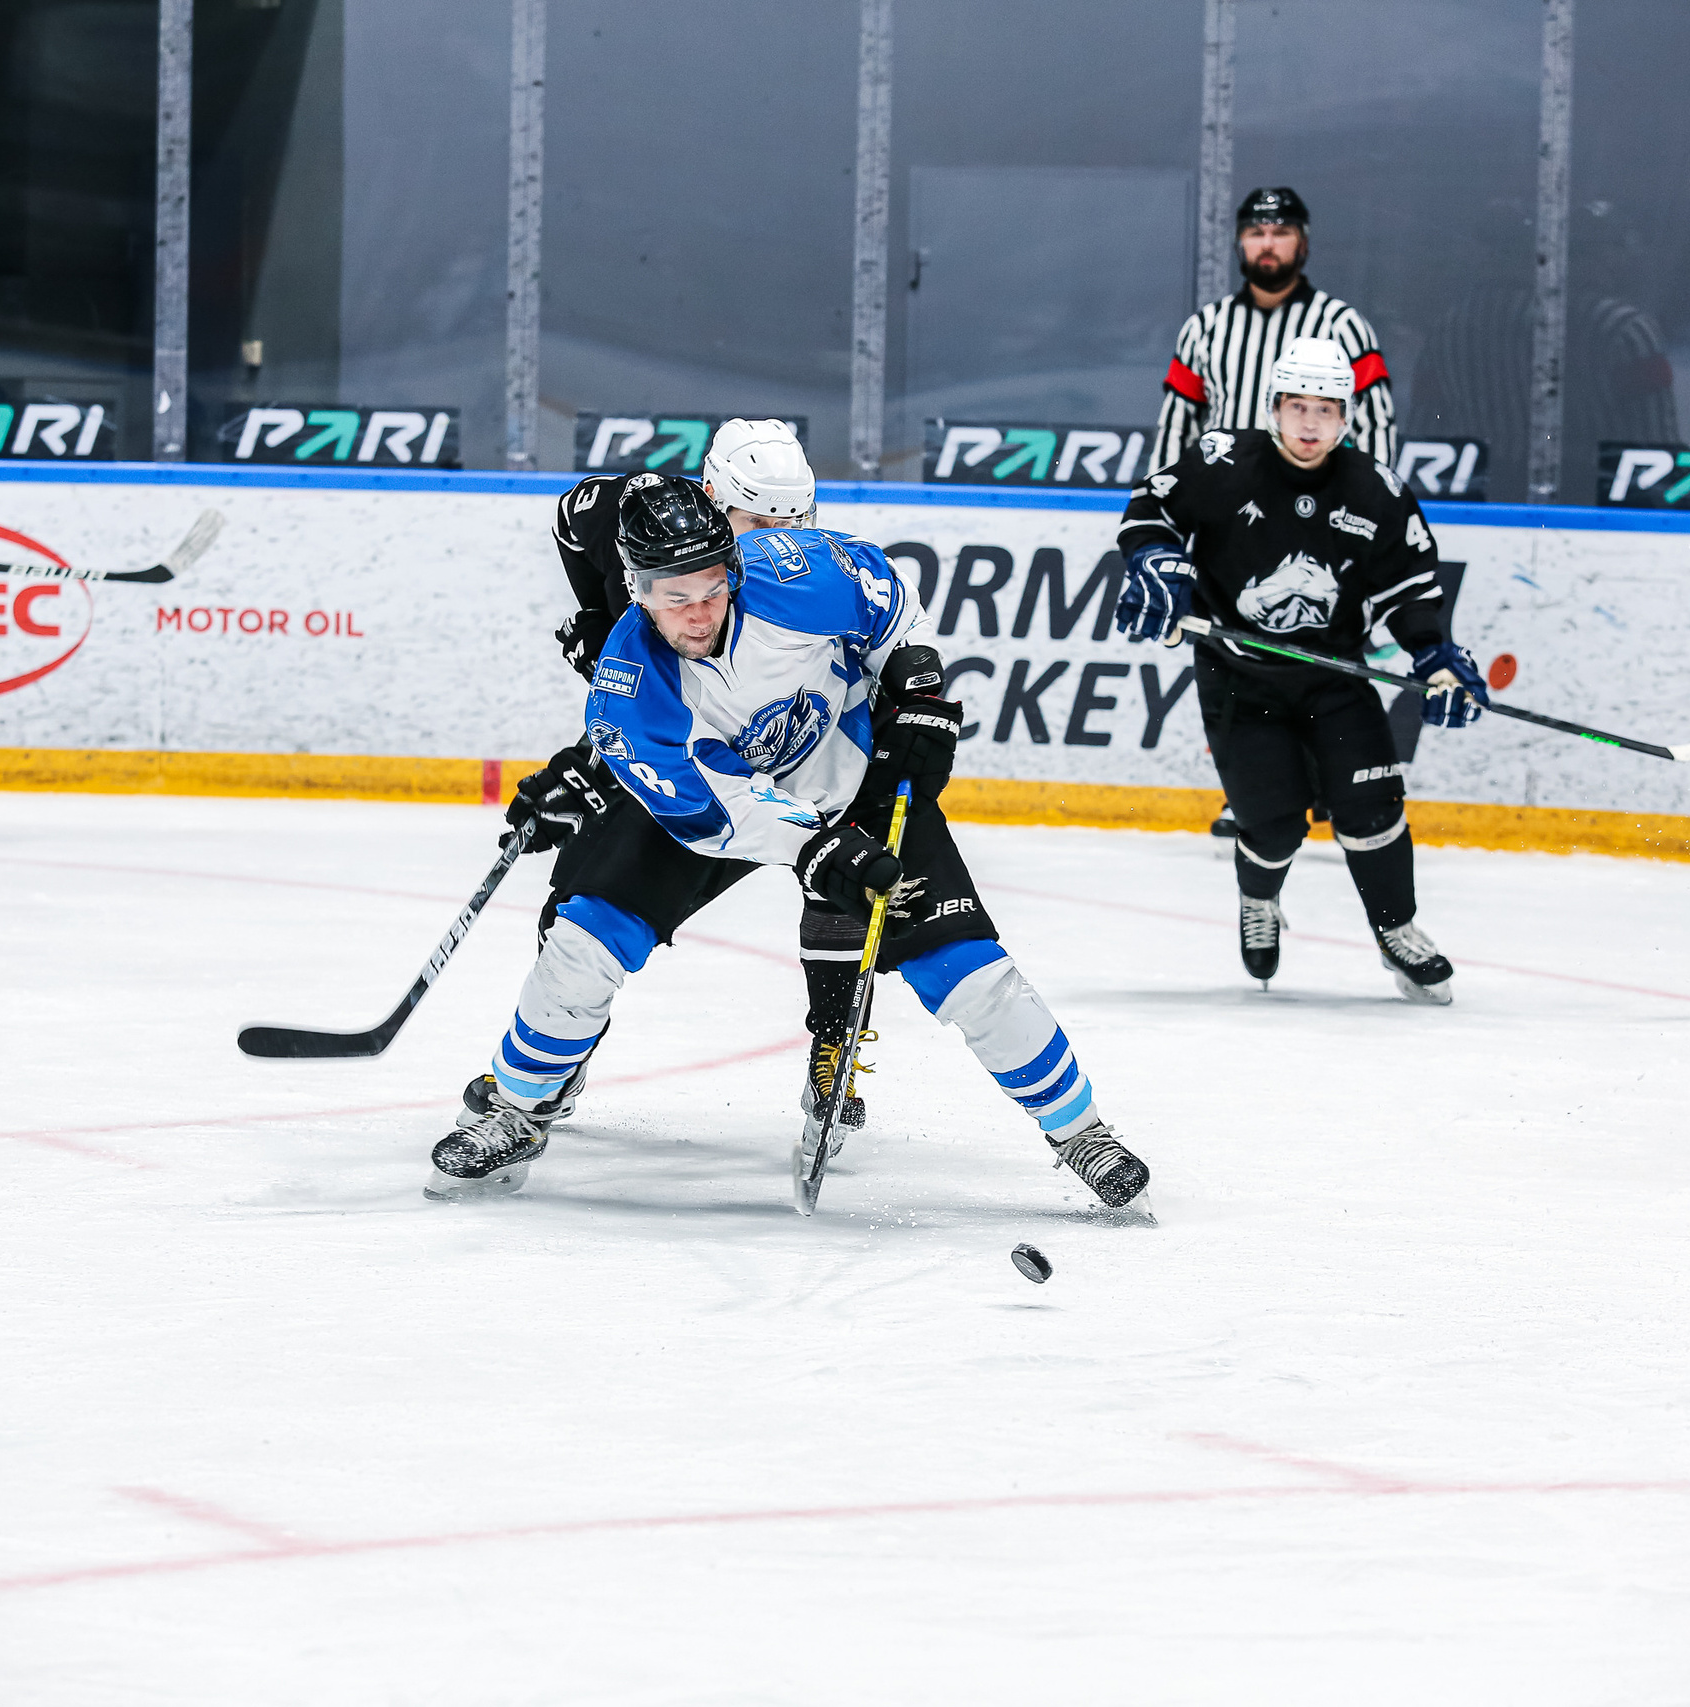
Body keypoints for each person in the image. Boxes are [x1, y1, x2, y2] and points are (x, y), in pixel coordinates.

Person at [428, 473, 1151, 1210]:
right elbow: (712, 815)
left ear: (733, 565)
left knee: (965, 967)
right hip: (727, 802)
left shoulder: (800, 574)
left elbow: (887, 598)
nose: (698, 611)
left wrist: (915, 686)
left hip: (852, 777)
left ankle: (1082, 1132)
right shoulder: (628, 687)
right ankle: (518, 1109)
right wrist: (813, 849)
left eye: (711, 587)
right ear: (637, 588)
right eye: (674, 596)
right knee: (584, 936)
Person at [490, 421, 885, 1137]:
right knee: (585, 898)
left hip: (808, 746)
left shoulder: (802, 577)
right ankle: (556, 1066)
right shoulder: (632, 524)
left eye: (792, 522)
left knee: (843, 874)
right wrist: (597, 617)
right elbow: (576, 523)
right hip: (699, 759)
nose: (776, 536)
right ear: (711, 498)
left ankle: (834, 1044)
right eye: (760, 521)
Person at [1116, 336, 1488, 1005]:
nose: (1311, 423)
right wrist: (1159, 564)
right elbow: (1150, 511)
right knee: (1275, 824)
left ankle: (1395, 928)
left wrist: (1435, 655)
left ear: (1345, 417)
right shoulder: (1223, 460)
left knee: (1372, 808)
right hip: (1240, 678)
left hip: (1335, 677)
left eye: (1326, 409)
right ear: (1273, 408)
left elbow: (1411, 589)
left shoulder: (1376, 490)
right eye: (1297, 406)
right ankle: (1258, 897)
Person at [1154, 186, 1398, 476]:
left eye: (1281, 233)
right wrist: (1164, 503)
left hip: (1312, 506)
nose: (1268, 244)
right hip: (1222, 504)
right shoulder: (1205, 327)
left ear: (1303, 244)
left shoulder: (1343, 326)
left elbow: (1375, 426)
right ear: (1239, 243)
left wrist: (1370, 502)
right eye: (1256, 233)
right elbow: (1177, 429)